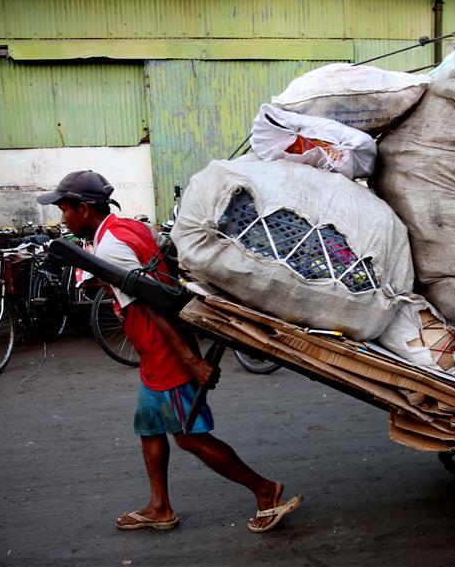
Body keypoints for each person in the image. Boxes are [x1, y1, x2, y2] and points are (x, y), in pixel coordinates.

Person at [37, 171, 301, 532]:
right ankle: (160, 507)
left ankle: (265, 490)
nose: (62, 218)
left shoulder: (112, 247)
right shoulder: (127, 228)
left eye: (65, 209)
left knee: (188, 435)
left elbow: (151, 304)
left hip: (165, 350)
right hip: (153, 351)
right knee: (149, 429)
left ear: (84, 209)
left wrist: (191, 361)